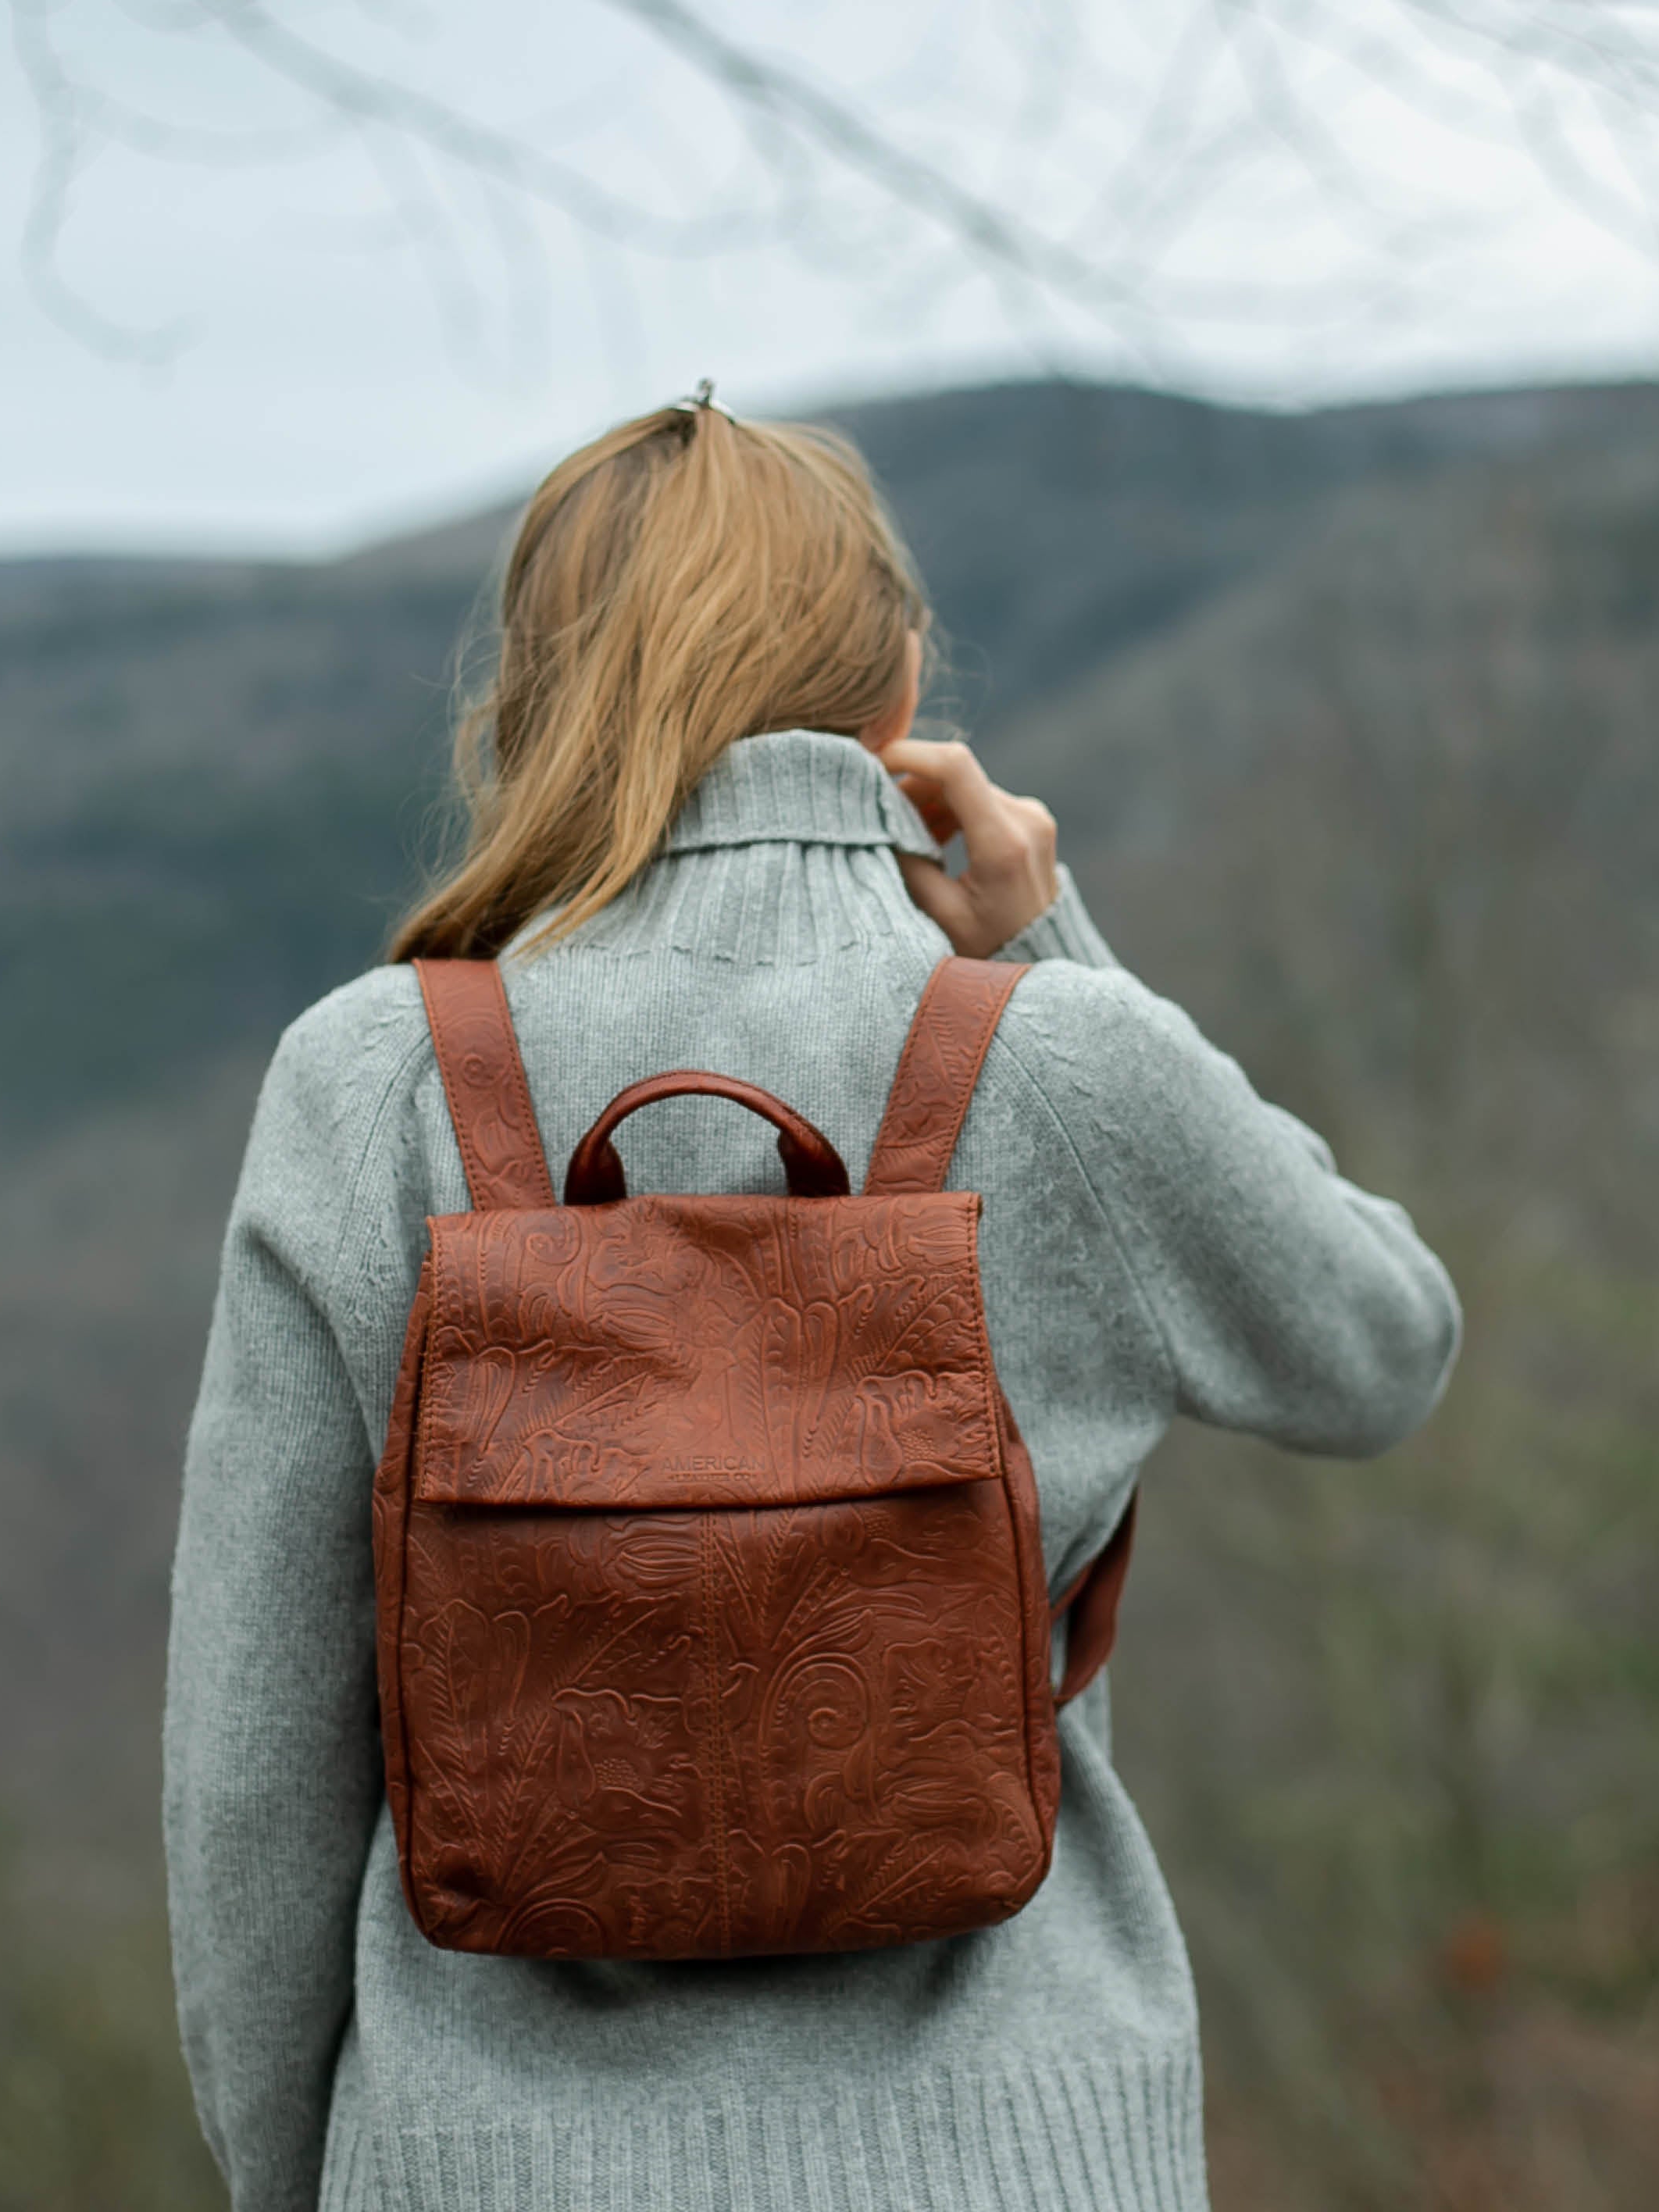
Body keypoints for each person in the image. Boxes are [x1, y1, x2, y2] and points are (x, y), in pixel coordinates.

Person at [164, 391, 1461, 2212]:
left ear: (540, 690)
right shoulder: (1065, 1065)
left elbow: (256, 1760)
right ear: (895, 683)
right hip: (1019, 2158)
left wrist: (304, 2170)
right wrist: (1040, 943)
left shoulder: (368, 1083)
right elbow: (1378, 1345)